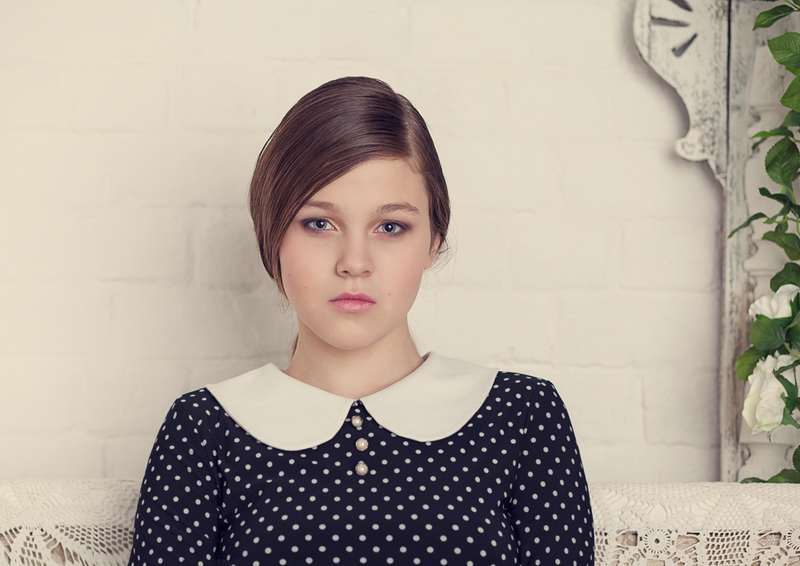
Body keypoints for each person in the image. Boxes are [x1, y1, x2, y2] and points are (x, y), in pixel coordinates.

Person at [127, 77, 594, 566]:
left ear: (433, 242)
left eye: (390, 227)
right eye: (319, 223)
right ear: (273, 235)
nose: (354, 262)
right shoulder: (203, 429)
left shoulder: (522, 416)